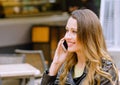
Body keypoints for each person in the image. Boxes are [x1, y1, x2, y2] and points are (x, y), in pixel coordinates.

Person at [41, 9, 119, 85]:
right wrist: (55, 64)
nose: (67, 36)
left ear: (89, 36)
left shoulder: (105, 70)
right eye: (67, 30)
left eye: (74, 31)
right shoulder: (66, 67)